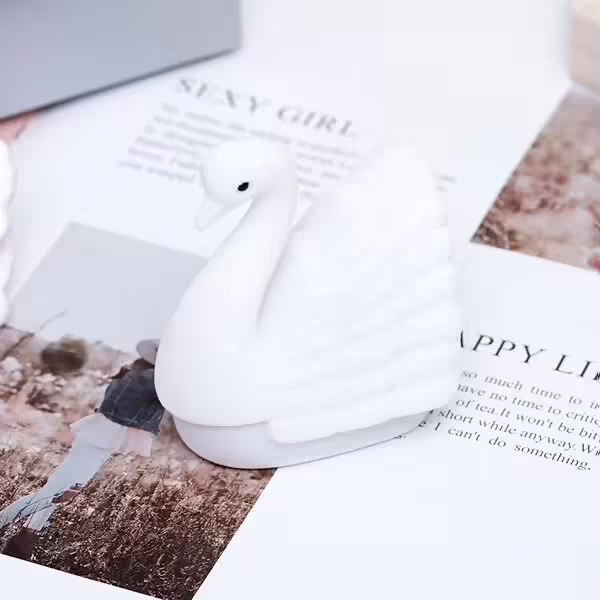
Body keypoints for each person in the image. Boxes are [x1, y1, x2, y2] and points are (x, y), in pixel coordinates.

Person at [0, 339, 164, 560]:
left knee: (56, 492)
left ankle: (22, 544)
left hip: (100, 435)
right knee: (57, 494)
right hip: (102, 437)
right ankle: (13, 532)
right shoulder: (150, 379)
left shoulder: (135, 373)